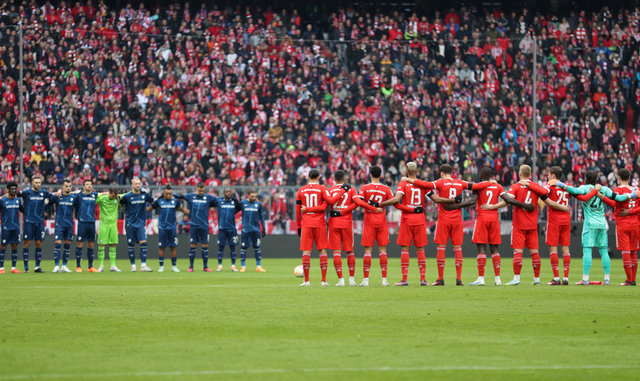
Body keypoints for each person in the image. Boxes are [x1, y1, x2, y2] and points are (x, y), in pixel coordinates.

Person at [402, 163, 492, 286]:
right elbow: (476, 186)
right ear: (452, 172)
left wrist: (409, 179)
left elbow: (425, 185)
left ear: (442, 173)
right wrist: (491, 182)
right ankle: (459, 279)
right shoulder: (460, 182)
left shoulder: (440, 182)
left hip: (444, 219)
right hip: (457, 220)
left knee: (441, 248)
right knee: (457, 248)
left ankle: (440, 278)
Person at [551, 171, 637, 285]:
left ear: (586, 178)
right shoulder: (604, 189)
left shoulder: (585, 188)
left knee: (587, 250)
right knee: (604, 251)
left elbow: (575, 191)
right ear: (597, 178)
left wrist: (560, 184)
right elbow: (618, 198)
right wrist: (632, 195)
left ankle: (585, 279)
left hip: (590, 224)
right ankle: (607, 279)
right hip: (602, 223)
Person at [383, 162, 452, 286]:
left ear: (407, 172)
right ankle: (423, 279)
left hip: (407, 220)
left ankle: (404, 279)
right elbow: (436, 199)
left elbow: (397, 199)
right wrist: (451, 200)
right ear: (416, 172)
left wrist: (381, 204)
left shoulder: (403, 183)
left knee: (405, 249)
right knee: (420, 250)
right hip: (420, 220)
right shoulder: (422, 185)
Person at [500, 165, 570, 285]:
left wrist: (496, 202)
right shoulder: (537, 187)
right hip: (532, 224)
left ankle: (516, 279)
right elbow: (549, 202)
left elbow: (508, 201)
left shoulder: (515, 186)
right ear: (530, 174)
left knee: (518, 251)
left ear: (520, 174)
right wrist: (564, 208)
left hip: (519, 223)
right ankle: (537, 279)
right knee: (534, 252)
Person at [446, 167, 504, 286]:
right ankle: (498, 278)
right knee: (495, 248)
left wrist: (456, 206)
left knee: (481, 248)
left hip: (482, 218)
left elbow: (472, 201)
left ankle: (481, 278)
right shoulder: (498, 186)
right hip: (494, 219)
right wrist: (494, 206)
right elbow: (507, 199)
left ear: (481, 175)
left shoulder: (479, 186)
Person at [295, 168, 346, 286]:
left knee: (306, 253)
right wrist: (342, 191)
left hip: (306, 224)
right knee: (322, 251)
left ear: (308, 177)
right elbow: (330, 201)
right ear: (318, 177)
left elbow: (298, 211)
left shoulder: (301, 190)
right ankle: (323, 280)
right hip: (320, 224)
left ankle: (306, 281)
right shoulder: (323, 189)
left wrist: (299, 226)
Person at [327, 170, 378, 286]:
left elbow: (327, 204)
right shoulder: (351, 189)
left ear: (334, 179)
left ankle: (341, 280)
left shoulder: (330, 190)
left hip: (334, 223)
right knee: (350, 251)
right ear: (344, 179)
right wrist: (373, 208)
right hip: (346, 223)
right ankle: (351, 279)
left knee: (336, 253)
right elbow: (357, 202)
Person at [600, 169, 638, 286]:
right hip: (636, 224)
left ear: (619, 178)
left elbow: (613, 204)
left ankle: (629, 280)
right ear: (630, 178)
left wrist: (601, 196)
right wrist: (631, 211)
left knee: (626, 252)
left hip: (622, 224)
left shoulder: (618, 190)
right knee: (633, 252)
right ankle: (633, 280)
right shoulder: (636, 190)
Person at [353, 167, 389, 286]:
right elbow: (393, 201)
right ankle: (384, 280)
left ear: (370, 174)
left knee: (368, 251)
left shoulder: (365, 188)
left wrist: (371, 208)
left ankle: (366, 280)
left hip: (369, 222)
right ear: (381, 175)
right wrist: (380, 206)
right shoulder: (386, 189)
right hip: (382, 221)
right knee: (382, 251)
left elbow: (360, 202)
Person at [541, 167, 573, 285]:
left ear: (553, 176)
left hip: (554, 221)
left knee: (553, 248)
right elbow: (576, 191)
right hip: (566, 220)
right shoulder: (567, 186)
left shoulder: (550, 186)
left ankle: (556, 278)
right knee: (565, 248)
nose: (548, 176)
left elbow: (542, 192)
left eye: (549, 174)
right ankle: (566, 278)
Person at [147, 185, 189, 272]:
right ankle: (161, 267)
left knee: (173, 247)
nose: (169, 195)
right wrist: (141, 208)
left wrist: (190, 210)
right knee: (162, 247)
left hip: (172, 228)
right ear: (164, 193)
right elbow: (150, 208)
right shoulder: (159, 201)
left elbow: (183, 210)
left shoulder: (175, 201)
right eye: (167, 194)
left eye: (170, 194)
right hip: (162, 228)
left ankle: (174, 266)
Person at [18, 175, 54, 273]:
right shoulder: (27, 192)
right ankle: (26, 267)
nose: (38, 184)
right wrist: (24, 211)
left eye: (39, 183)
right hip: (29, 222)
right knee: (27, 243)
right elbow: (16, 195)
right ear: (32, 183)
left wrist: (45, 208)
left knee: (38, 243)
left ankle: (37, 267)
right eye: (36, 182)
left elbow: (53, 197)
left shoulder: (44, 193)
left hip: (39, 222)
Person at [180, 183, 218, 272]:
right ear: (196, 188)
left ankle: (205, 266)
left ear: (204, 189)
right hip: (194, 225)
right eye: (199, 190)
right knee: (193, 245)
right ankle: (191, 266)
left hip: (204, 226)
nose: (201, 192)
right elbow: (180, 196)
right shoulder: (191, 196)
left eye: (202, 190)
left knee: (205, 245)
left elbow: (218, 201)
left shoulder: (208, 197)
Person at [119, 177, 154, 272]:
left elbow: (153, 202)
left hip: (141, 224)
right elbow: (119, 205)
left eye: (139, 184)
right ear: (132, 184)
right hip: (130, 224)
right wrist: (118, 199)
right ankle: (133, 266)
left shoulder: (144, 195)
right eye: (136, 184)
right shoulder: (127, 196)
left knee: (144, 243)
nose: (137, 185)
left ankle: (143, 266)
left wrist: (149, 209)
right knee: (131, 245)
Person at [50, 180, 80, 273]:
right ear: (62, 187)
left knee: (67, 246)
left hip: (69, 225)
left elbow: (78, 207)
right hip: (59, 224)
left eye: (69, 186)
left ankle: (64, 266)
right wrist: (57, 192)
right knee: (58, 244)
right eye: (66, 186)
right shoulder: (58, 197)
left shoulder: (74, 198)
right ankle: (56, 266)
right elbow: (48, 202)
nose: (68, 187)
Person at [238, 189, 267, 272]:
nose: (254, 198)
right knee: (243, 247)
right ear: (248, 195)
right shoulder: (243, 203)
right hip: (245, 229)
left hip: (256, 229)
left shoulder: (258, 204)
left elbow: (261, 216)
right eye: (252, 196)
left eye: (255, 196)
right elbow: (235, 210)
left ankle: (258, 266)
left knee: (257, 247)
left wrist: (264, 228)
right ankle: (243, 266)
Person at [74, 179, 99, 272]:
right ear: (83, 186)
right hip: (82, 222)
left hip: (92, 223)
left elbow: (103, 194)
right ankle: (78, 266)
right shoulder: (79, 196)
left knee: (91, 244)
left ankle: (90, 267)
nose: (89, 186)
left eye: (90, 184)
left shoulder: (94, 195)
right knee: (80, 244)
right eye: (87, 184)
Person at [96, 188, 122, 272]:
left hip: (113, 225)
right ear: (109, 193)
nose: (114, 197)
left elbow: (128, 194)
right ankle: (101, 266)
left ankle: (113, 266)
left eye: (115, 196)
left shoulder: (117, 199)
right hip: (104, 225)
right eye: (112, 195)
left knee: (113, 245)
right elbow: (93, 196)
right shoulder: (102, 199)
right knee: (101, 245)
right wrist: (103, 193)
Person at [216, 188, 241, 271]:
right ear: (224, 193)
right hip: (222, 228)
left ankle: (233, 266)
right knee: (221, 247)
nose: (228, 193)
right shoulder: (219, 201)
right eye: (226, 192)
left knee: (233, 247)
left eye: (230, 191)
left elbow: (239, 207)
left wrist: (236, 202)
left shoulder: (234, 202)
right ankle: (220, 265)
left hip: (232, 229)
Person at [0, 182, 22, 273]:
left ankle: (13, 268)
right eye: (11, 189)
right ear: (7, 190)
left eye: (15, 189)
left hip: (15, 227)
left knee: (14, 246)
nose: (13, 191)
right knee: (3, 246)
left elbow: (23, 210)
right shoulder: (3, 201)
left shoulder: (18, 200)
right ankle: (1, 268)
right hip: (6, 227)